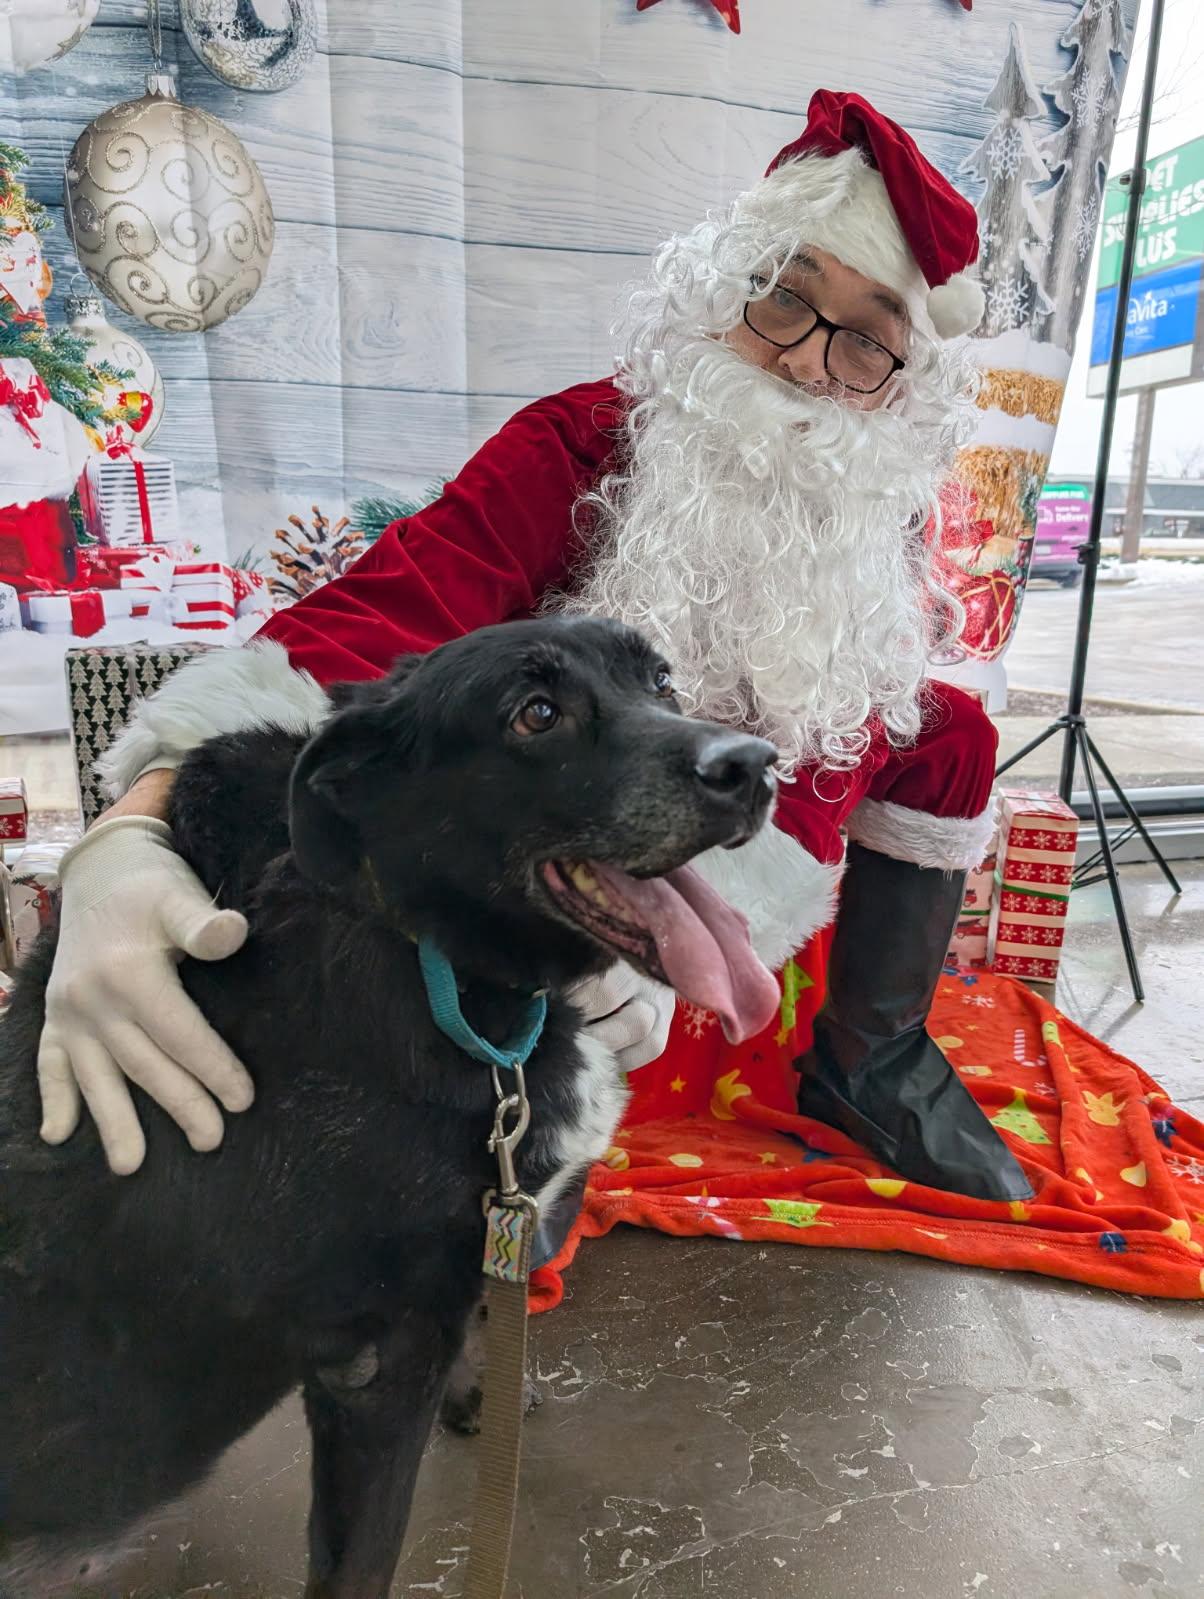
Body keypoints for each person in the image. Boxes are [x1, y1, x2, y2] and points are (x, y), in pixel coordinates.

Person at [36, 89, 1032, 1254]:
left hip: (724, 800)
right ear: (726, 291)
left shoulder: (865, 506)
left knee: (948, 729)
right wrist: (132, 836)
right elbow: (365, 631)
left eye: (864, 340)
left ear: (898, 383)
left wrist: (717, 919)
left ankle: (872, 1058)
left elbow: (838, 714)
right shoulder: (581, 440)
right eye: (784, 297)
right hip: (559, 795)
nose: (809, 362)